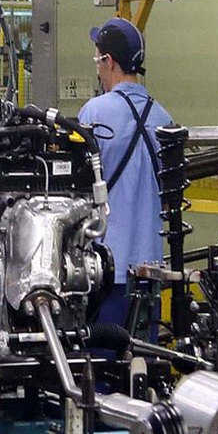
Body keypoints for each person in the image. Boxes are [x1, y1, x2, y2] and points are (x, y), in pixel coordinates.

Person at [77, 18, 173, 328]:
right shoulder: (163, 118)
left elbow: (79, 194)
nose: (98, 68)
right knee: (145, 354)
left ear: (109, 61)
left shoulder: (94, 113)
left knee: (103, 352)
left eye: (98, 60)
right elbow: (169, 198)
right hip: (151, 271)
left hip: (107, 271)